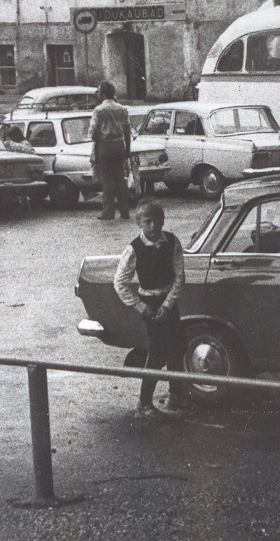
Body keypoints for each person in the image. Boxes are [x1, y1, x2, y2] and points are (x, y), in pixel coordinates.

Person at [113, 200, 187, 417]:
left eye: (157, 221)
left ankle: (176, 396)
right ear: (139, 223)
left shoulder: (172, 242)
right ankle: (144, 404)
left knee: (178, 348)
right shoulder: (133, 249)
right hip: (149, 306)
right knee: (156, 354)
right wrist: (140, 306)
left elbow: (180, 275)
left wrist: (168, 304)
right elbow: (119, 282)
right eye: (148, 221)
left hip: (169, 303)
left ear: (164, 220)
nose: (154, 226)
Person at [90, 81, 131, 220]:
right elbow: (127, 131)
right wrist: (128, 149)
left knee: (107, 181)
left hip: (105, 147)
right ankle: (125, 211)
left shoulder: (99, 110)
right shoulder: (122, 109)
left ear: (103, 93)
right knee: (120, 179)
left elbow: (93, 133)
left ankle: (108, 212)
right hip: (119, 145)